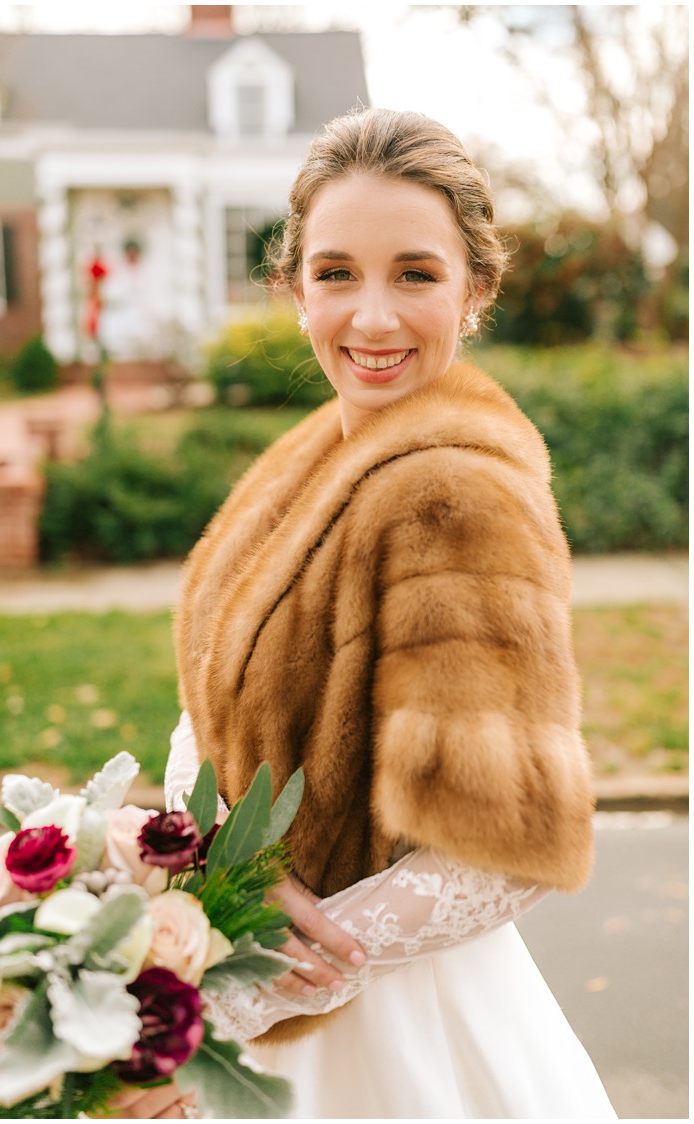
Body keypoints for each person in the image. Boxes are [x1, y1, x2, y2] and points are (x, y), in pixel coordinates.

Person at [142, 107, 616, 1119]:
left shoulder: (457, 495)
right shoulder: (307, 461)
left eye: (414, 273)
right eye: (335, 273)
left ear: (475, 289)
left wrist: (258, 977)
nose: (372, 316)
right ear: (295, 285)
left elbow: (504, 846)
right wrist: (191, 865)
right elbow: (212, 717)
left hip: (394, 1038)